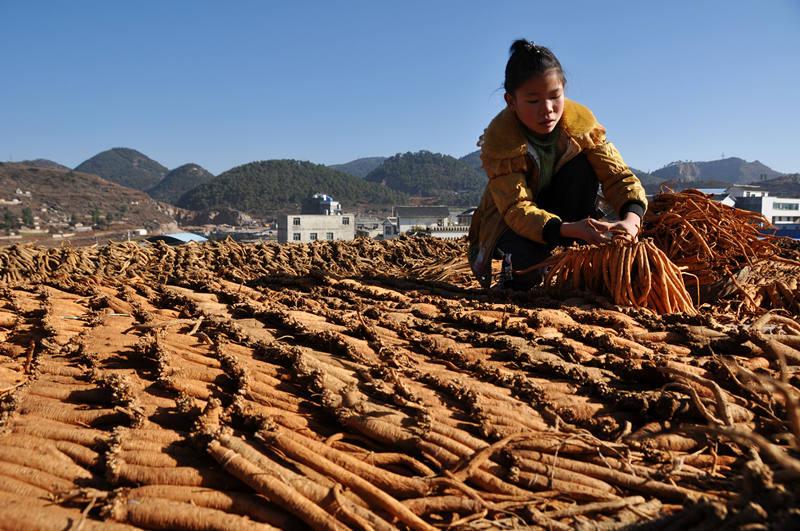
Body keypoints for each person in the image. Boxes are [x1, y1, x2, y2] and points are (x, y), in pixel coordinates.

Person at [468, 40, 648, 290]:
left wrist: (630, 221)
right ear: (511, 101)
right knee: (524, 277)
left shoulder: (583, 129)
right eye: (533, 101)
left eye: (555, 97)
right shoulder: (501, 143)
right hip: (514, 224)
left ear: (564, 89)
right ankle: (518, 271)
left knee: (584, 165)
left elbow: (618, 177)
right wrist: (566, 229)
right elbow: (516, 209)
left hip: (570, 218)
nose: (548, 110)